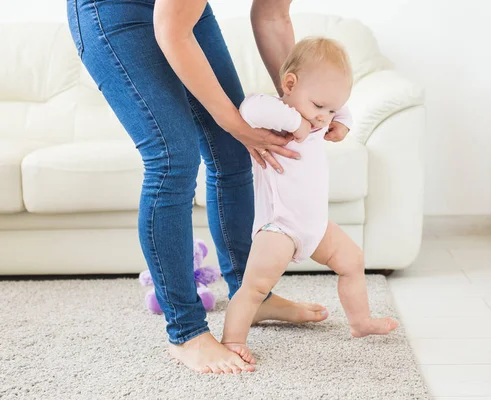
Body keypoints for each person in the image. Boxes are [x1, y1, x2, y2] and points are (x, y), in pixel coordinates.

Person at [66, 0, 333, 375]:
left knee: (235, 154)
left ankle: (251, 295)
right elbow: (171, 30)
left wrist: (302, 107)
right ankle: (186, 331)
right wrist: (237, 126)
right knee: (173, 158)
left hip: (182, 11)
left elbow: (273, 15)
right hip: (113, 8)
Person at [220, 38, 399, 363]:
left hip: (315, 226)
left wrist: (343, 121)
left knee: (352, 261)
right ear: (290, 84)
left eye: (330, 110)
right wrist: (295, 123)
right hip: (279, 228)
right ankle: (232, 341)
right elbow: (250, 106)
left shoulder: (319, 113)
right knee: (255, 288)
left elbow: (336, 105)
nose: (322, 118)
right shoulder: (276, 115)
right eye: (319, 107)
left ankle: (360, 322)